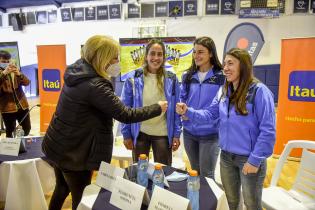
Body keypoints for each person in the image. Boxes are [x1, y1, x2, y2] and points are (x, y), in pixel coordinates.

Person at [42, 35, 168, 210]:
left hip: (59, 145)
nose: (117, 61)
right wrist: (157, 108)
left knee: (62, 188)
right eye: (114, 57)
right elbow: (125, 114)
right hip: (75, 154)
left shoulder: (77, 72)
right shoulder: (95, 85)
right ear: (102, 57)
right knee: (81, 198)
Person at [176, 48, 276, 210]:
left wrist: (255, 159)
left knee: (251, 205)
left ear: (243, 66)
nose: (226, 68)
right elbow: (210, 114)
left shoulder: (260, 91)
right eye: (225, 64)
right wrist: (188, 111)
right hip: (227, 158)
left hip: (249, 159)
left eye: (231, 63)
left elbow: (268, 131)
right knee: (232, 202)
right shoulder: (224, 90)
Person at [121, 39, 181, 166]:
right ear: (146, 56)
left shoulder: (172, 79)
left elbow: (176, 110)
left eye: (160, 54)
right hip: (140, 133)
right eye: (152, 53)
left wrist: (176, 134)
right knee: (140, 175)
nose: (156, 57)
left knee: (163, 174)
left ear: (164, 57)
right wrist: (126, 134)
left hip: (163, 134)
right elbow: (125, 108)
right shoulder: (133, 78)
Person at [179, 36, 224, 178]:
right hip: (189, 133)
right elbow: (182, 97)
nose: (196, 56)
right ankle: (196, 200)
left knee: (207, 174)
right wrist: (182, 110)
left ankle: (208, 200)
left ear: (211, 53)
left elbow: (215, 109)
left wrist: (189, 112)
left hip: (210, 133)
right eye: (194, 52)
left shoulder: (221, 77)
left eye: (200, 52)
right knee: (194, 171)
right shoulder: (187, 75)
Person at [0, 50, 31, 137]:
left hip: (22, 105)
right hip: (7, 108)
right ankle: (10, 149)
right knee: (10, 131)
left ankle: (21, 145)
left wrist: (19, 74)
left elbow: (27, 83)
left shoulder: (15, 69)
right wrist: (4, 74)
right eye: (3, 62)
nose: (6, 63)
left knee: (27, 128)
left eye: (8, 61)